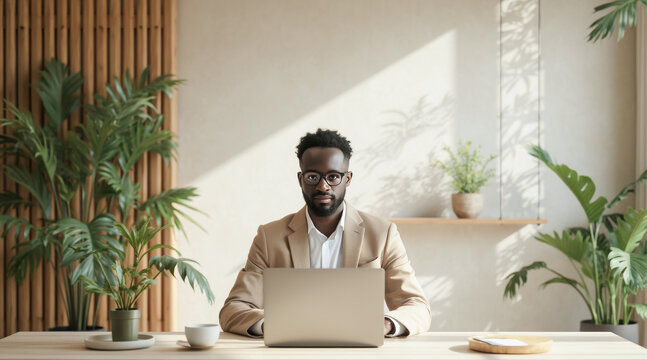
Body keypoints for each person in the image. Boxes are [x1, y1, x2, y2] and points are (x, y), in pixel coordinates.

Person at [219, 128, 431, 337]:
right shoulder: (269, 237)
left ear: (347, 179)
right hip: (291, 352)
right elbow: (233, 309)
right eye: (313, 177)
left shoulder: (383, 234)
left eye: (333, 176)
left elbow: (417, 306)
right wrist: (273, 325)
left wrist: (384, 325)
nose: (323, 186)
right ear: (300, 179)